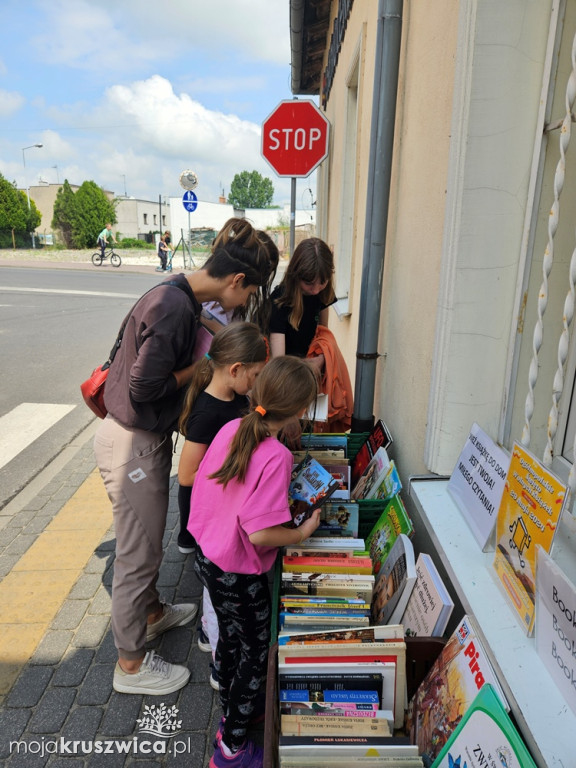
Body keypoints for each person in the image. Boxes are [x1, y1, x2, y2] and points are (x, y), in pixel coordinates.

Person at [93, 218, 272, 696]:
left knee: (145, 542)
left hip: (139, 437)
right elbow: (143, 386)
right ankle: (129, 665)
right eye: (245, 295)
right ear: (237, 281)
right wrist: (205, 367)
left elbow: (207, 326)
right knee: (138, 552)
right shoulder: (174, 306)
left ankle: (152, 614)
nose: (235, 307)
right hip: (132, 441)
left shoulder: (180, 294)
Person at [188, 356, 322, 768]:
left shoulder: (233, 428)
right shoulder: (276, 456)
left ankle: (232, 713)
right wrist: (302, 532)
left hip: (209, 556)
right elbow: (260, 533)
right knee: (255, 653)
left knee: (231, 640)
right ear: (300, 410)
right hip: (239, 572)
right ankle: (230, 748)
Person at [176, 322, 269, 686]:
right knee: (217, 595)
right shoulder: (208, 411)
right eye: (256, 374)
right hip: (211, 520)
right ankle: (219, 665)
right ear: (235, 370)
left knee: (212, 593)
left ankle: (206, 632)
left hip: (221, 517)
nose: (257, 382)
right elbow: (186, 474)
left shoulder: (234, 399)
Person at [268, 237, 336, 375]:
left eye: (322, 282)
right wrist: (308, 365)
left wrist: (323, 358)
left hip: (310, 370)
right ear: (296, 275)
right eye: (309, 284)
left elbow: (323, 335)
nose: (316, 290)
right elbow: (278, 362)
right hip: (287, 376)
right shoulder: (280, 301)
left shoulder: (322, 293)